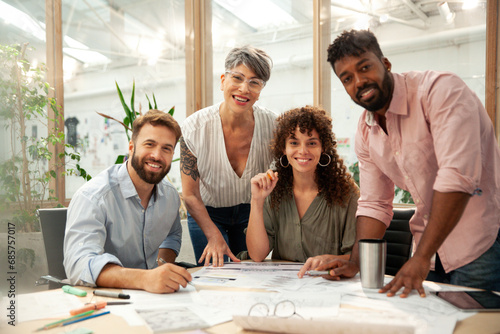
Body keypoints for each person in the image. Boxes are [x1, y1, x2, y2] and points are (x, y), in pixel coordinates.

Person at [315, 29, 500, 296]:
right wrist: (356, 261)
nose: (359, 81)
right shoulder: (366, 130)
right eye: (347, 78)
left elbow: (457, 177)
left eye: (365, 67)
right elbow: (374, 203)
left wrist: (421, 257)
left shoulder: (440, 91)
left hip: (481, 243)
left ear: (386, 64)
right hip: (429, 251)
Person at [64, 110, 192, 294]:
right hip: (106, 299)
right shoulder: (94, 197)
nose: (157, 155)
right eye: (149, 144)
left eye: (166, 148)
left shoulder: (170, 196)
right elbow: (79, 264)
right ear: (131, 147)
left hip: (154, 297)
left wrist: (161, 267)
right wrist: (145, 279)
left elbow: (172, 236)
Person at [180, 45, 276, 267]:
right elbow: (190, 194)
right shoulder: (194, 127)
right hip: (207, 212)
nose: (244, 89)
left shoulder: (274, 126)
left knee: (251, 275)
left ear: (261, 89)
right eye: (238, 78)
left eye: (254, 82)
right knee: (217, 276)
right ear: (223, 80)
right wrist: (214, 236)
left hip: (251, 211)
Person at [244, 106, 359, 273]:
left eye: (312, 143)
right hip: (284, 287)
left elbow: (357, 257)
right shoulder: (274, 190)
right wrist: (257, 200)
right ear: (284, 148)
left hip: (329, 283)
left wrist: (330, 259)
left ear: (323, 147)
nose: (303, 151)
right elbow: (257, 255)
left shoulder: (346, 192)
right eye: (294, 143)